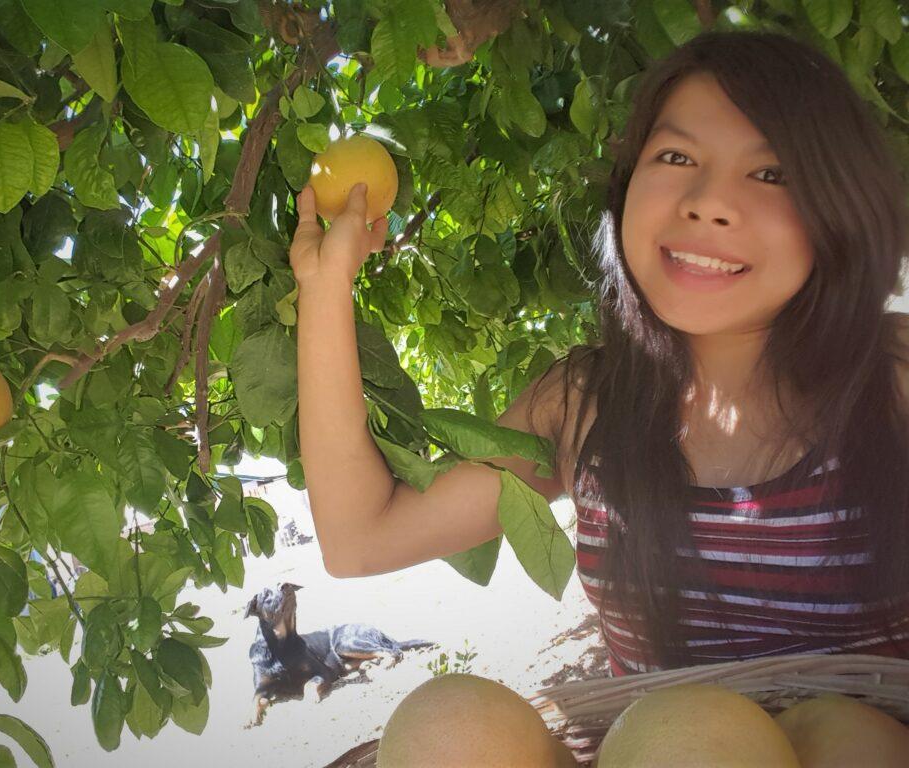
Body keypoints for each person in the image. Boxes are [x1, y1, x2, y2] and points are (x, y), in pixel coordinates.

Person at [289, 29, 909, 676]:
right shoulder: (583, 404)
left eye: (771, 172)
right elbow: (361, 538)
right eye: (675, 158)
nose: (707, 204)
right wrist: (325, 286)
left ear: (839, 206)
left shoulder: (892, 382)